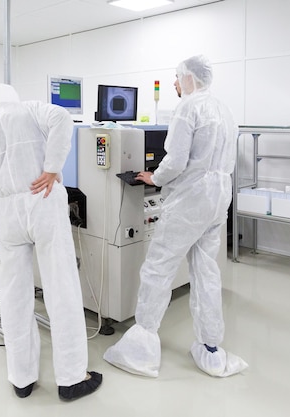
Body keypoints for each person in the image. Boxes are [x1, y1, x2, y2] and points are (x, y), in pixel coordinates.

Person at [103, 55, 248, 378]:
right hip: (217, 197)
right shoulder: (224, 110)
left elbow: (176, 160)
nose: (173, 83)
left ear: (190, 79)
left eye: (176, 77)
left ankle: (141, 349)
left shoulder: (189, 107)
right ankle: (211, 349)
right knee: (206, 271)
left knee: (158, 267)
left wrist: (153, 178)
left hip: (191, 199)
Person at [0, 83, 102, 400]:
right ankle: (71, 378)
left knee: (14, 297)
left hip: (7, 215)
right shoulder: (30, 109)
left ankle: (22, 378)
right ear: (11, 96)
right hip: (45, 198)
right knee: (61, 287)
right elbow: (63, 119)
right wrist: (52, 167)